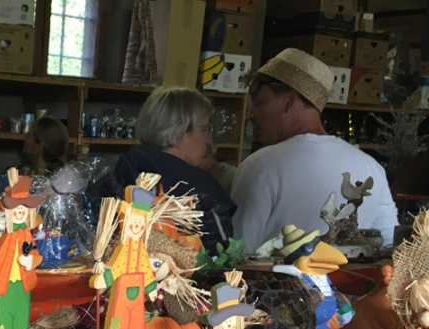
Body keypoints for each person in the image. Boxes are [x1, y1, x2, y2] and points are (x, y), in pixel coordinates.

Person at [231, 48, 398, 253]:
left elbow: (237, 254)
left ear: (289, 100)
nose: (250, 115)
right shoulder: (372, 169)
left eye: (259, 104)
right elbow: (391, 247)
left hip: (274, 285)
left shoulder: (260, 167)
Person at [113, 87, 237, 253]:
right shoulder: (201, 193)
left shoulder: (115, 176)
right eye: (204, 130)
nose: (208, 141)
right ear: (181, 131)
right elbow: (221, 261)